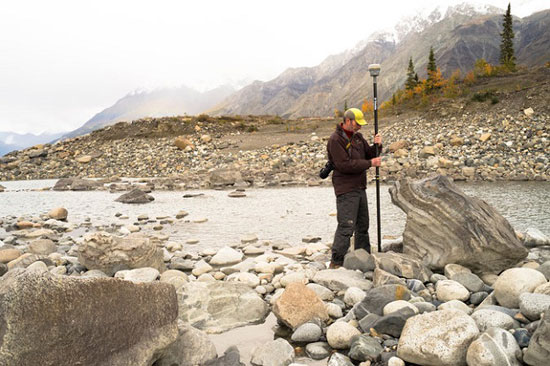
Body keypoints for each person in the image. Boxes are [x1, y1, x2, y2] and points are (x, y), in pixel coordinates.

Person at [327, 107, 382, 268]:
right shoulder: (335, 140)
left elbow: (371, 154)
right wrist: (370, 164)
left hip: (359, 187)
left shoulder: (358, 138)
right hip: (346, 189)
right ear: (348, 121)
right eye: (357, 123)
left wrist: (377, 145)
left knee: (363, 225)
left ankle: (363, 258)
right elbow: (344, 165)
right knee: (346, 226)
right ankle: (335, 262)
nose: (359, 127)